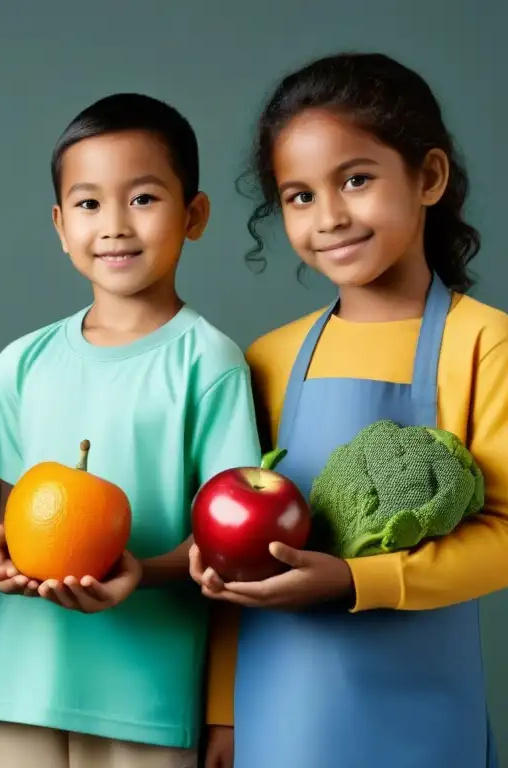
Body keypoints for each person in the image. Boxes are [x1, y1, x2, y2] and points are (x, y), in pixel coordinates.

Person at [191, 52, 508, 768]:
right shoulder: (268, 358)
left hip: (422, 708)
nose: (329, 217)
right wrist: (222, 710)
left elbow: (507, 533)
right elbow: (232, 542)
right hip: (282, 705)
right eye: (298, 196)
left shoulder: (485, 343)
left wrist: (359, 581)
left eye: (356, 180)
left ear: (427, 177)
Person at [0, 93, 262, 768]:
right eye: (89, 203)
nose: (114, 226)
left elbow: (225, 543)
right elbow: (12, 513)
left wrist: (142, 571)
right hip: (26, 683)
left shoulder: (209, 362)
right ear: (59, 223)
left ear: (194, 216)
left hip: (147, 694)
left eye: (143, 199)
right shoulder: (23, 362)